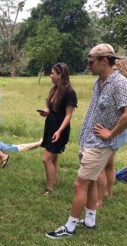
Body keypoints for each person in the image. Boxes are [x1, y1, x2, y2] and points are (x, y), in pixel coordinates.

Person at [46, 44, 127, 239]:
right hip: (89, 141)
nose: (88, 65)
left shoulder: (119, 83)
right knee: (92, 180)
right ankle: (89, 219)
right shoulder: (100, 82)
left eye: (90, 61)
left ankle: (69, 227)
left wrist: (110, 133)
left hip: (100, 145)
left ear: (104, 61)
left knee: (80, 184)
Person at [96, 56, 127, 207]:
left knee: (101, 165)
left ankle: (98, 200)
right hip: (117, 133)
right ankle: (108, 192)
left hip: (115, 134)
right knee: (109, 164)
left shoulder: (124, 88)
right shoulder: (121, 86)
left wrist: (113, 129)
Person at [39, 63, 77, 195]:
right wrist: (45, 111)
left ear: (60, 75)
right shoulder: (54, 89)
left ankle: (49, 189)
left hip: (59, 130)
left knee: (46, 158)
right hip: (50, 126)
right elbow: (50, 107)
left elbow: (68, 115)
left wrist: (59, 131)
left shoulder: (69, 92)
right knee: (53, 158)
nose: (50, 76)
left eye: (52, 73)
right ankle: (52, 182)